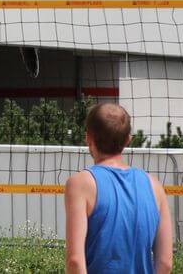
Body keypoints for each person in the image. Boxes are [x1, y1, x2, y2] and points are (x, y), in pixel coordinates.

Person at [64, 103, 173, 274]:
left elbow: (75, 261)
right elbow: (165, 262)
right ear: (128, 139)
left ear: (88, 137)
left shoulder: (80, 184)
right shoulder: (155, 186)